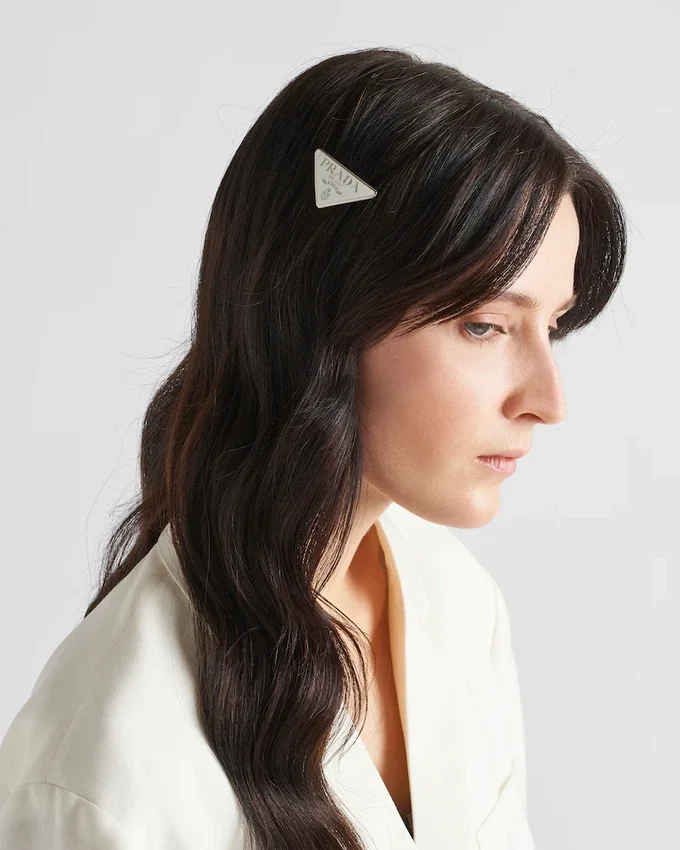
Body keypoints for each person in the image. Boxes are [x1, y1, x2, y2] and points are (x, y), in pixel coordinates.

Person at [0, 46, 627, 849]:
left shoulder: (455, 602)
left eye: (553, 327)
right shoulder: (107, 772)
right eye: (485, 326)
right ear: (322, 317)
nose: (548, 402)